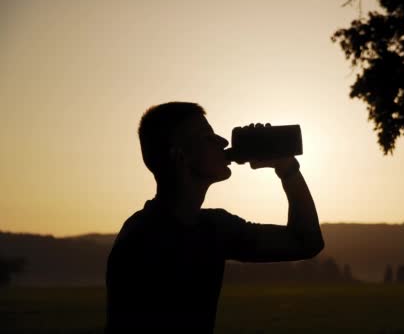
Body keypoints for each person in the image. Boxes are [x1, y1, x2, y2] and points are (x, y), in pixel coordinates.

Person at [105, 102, 324, 333]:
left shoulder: (215, 228)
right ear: (181, 156)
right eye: (208, 137)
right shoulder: (141, 241)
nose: (223, 142)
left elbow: (306, 243)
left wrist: (286, 167)